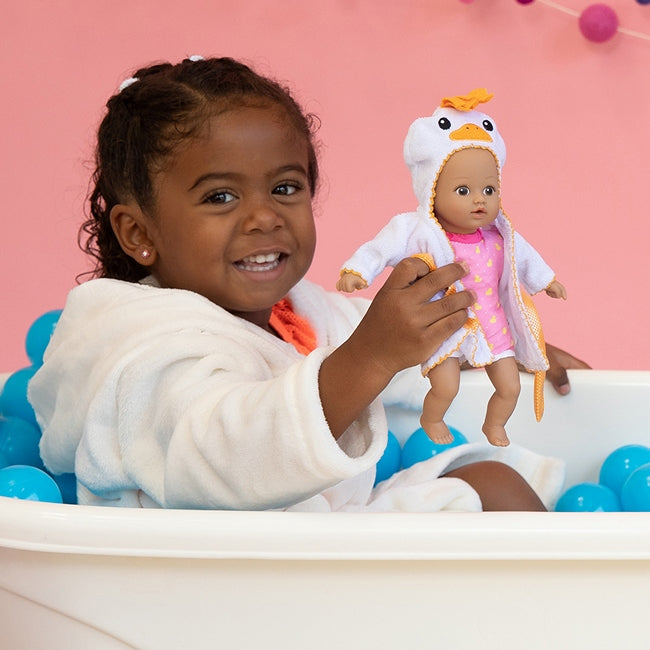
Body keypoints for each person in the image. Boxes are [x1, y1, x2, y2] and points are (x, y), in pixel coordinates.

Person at [29, 58, 585, 513]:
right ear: (139, 232)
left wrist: (490, 350)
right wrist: (368, 357)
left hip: (312, 544)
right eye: (221, 197)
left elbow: (402, 355)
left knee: (493, 483)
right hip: (214, 584)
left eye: (285, 188)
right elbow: (228, 454)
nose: (264, 216)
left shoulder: (299, 311)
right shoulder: (146, 356)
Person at [338, 89, 567, 448]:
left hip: (491, 323)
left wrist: (546, 280)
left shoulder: (498, 235)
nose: (479, 199)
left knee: (510, 385)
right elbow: (382, 247)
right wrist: (359, 270)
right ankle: (432, 417)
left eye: (489, 189)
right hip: (445, 327)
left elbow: (526, 258)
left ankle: (494, 425)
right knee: (446, 386)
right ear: (431, 190)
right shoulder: (421, 232)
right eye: (463, 190)